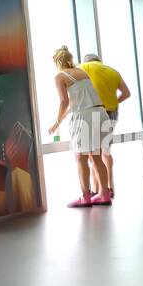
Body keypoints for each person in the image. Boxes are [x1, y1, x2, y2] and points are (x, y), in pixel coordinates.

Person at [48, 46, 112, 208]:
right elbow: (77, 102)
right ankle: (104, 194)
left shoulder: (60, 77)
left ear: (57, 62)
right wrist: (59, 121)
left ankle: (85, 196)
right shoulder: (83, 73)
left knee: (80, 157)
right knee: (96, 156)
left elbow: (64, 102)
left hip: (84, 118)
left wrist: (57, 120)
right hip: (99, 112)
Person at [81, 53, 131, 198]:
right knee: (106, 151)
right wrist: (114, 103)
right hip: (112, 113)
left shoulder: (85, 67)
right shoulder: (113, 71)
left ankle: (97, 189)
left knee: (93, 154)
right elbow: (126, 93)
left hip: (96, 112)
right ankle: (110, 186)